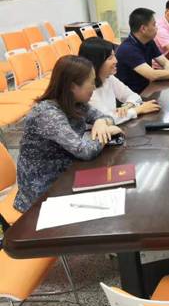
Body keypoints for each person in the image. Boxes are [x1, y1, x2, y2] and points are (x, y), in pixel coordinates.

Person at [14, 56, 122, 213]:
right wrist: (106, 133)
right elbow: (84, 151)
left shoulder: (75, 103)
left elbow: (105, 117)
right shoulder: (47, 114)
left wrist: (101, 123)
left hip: (68, 172)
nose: (94, 87)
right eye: (91, 82)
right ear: (72, 86)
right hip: (43, 190)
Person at [116, 8, 169, 94]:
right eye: (154, 25)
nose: (157, 28)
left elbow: (165, 63)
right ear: (143, 29)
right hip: (133, 95)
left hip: (147, 89)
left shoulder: (148, 41)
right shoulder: (128, 49)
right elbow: (152, 75)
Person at [79, 37, 161, 125]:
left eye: (114, 56)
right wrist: (138, 110)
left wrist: (127, 106)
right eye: (110, 58)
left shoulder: (108, 78)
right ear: (96, 62)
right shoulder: (88, 90)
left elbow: (134, 96)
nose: (116, 61)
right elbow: (105, 119)